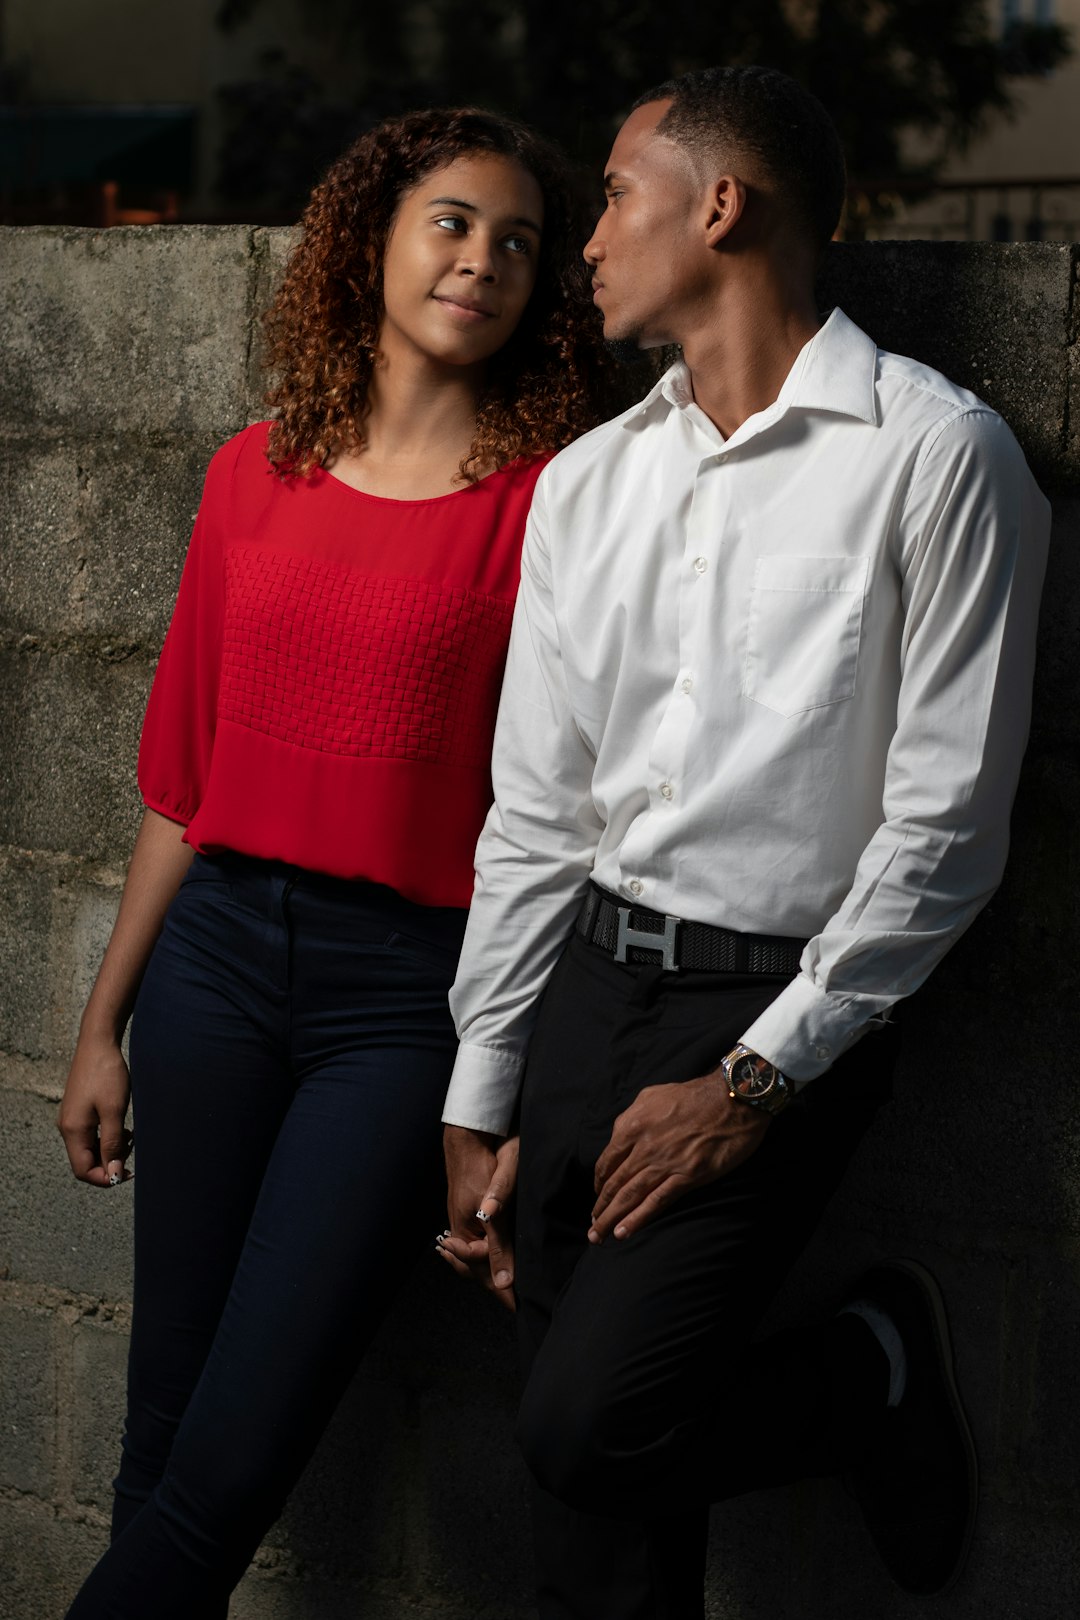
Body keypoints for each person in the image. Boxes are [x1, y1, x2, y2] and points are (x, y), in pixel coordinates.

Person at [437, 66, 1050, 1619]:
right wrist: (484, 1077)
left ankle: (863, 1374)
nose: (583, 240)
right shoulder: (589, 484)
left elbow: (946, 829)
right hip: (587, 991)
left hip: (765, 1014)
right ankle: (847, 1382)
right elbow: (539, 810)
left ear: (722, 205)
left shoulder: (937, 457)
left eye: (616, 194)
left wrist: (755, 1083)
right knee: (591, 1518)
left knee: (590, 1428)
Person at [56, 106, 608, 1618]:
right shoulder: (251, 474)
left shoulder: (553, 505)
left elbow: (558, 806)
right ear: (371, 237)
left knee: (230, 1463)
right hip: (212, 970)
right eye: (449, 221)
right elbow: (183, 779)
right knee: (155, 1429)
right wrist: (105, 1020)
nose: (481, 260)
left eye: (518, 241)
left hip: (403, 1001)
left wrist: (490, 1079)